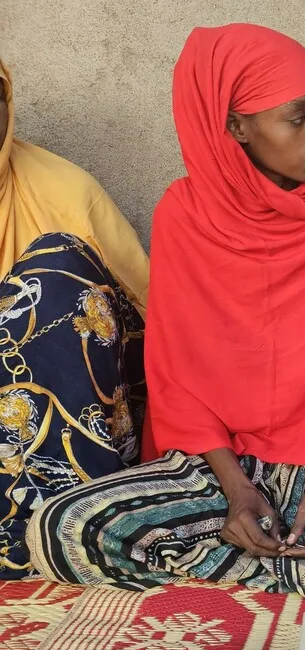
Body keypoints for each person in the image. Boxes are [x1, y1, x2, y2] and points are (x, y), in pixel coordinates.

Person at [27, 24, 305, 606]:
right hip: (221, 463)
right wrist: (235, 490)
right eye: (297, 118)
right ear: (235, 126)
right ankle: (303, 569)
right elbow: (179, 375)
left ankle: (235, 565)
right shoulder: (184, 216)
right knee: (60, 530)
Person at [0, 60, 149, 581]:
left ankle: (65, 524)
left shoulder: (62, 189)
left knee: (58, 270)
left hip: (78, 419)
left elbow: (150, 316)